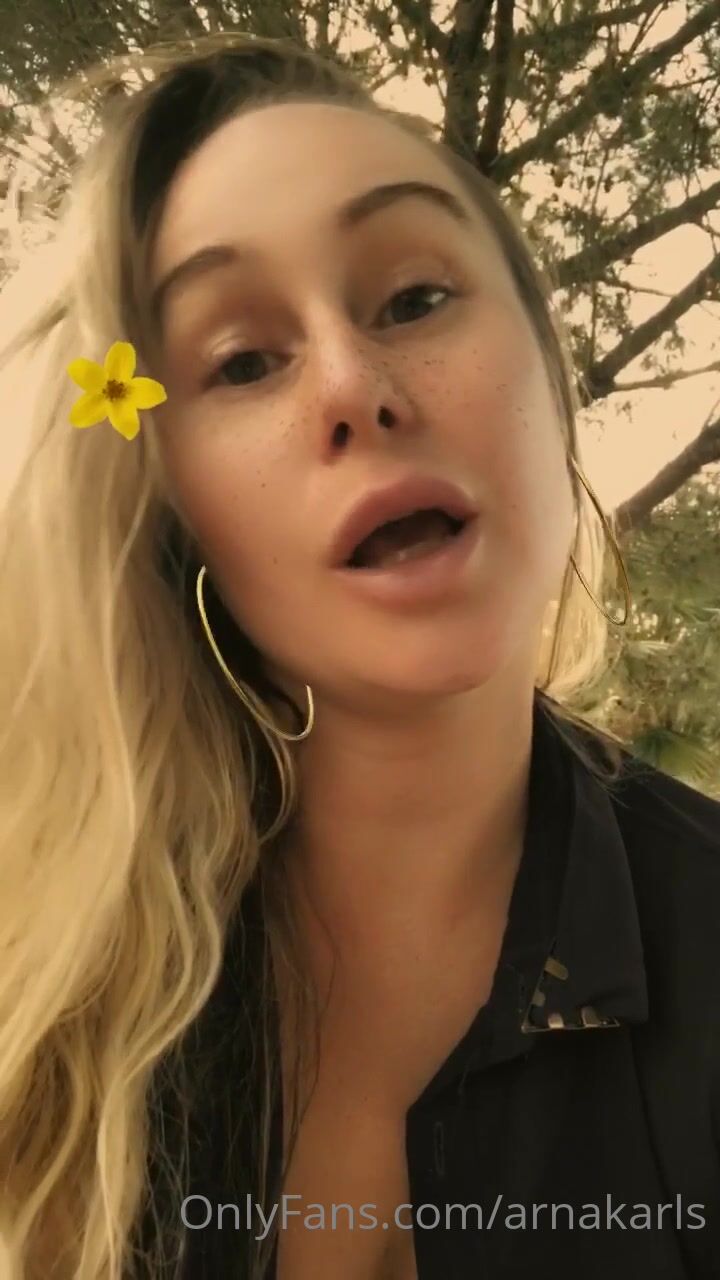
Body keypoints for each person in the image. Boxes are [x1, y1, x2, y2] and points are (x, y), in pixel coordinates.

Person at [0, 28, 718, 1280]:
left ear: (548, 371)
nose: (351, 384)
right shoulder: (33, 971)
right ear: (169, 509)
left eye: (415, 298)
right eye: (241, 360)